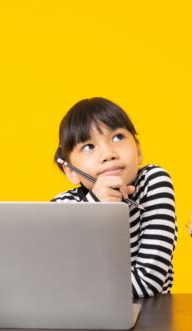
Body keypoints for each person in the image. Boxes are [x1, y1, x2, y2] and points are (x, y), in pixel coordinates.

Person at [51, 97, 178, 298]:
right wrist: (94, 210)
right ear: (71, 171)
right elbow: (54, 281)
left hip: (149, 315)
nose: (108, 154)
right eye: (88, 146)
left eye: (118, 137)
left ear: (138, 150)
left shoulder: (153, 182)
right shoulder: (62, 207)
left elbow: (148, 283)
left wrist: (81, 294)